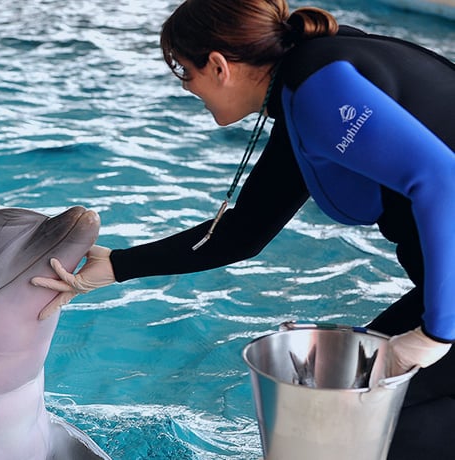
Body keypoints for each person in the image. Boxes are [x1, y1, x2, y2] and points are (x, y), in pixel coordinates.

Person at [31, 0, 454, 457]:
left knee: (359, 425)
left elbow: (443, 179)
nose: (190, 91)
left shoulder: (321, 88)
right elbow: (243, 233)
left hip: (446, 311)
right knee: (341, 414)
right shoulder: (304, 91)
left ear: (218, 66)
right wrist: (116, 266)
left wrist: (437, 332)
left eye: (186, 75)